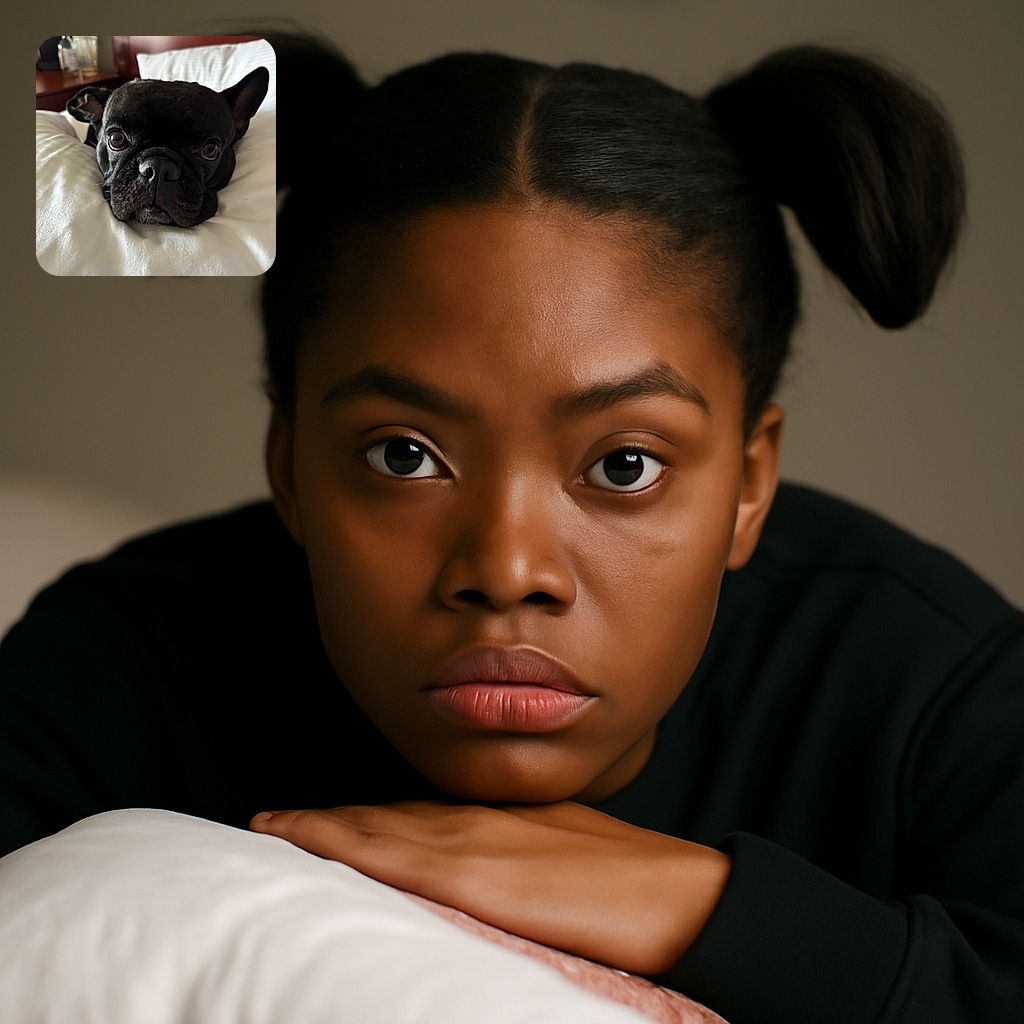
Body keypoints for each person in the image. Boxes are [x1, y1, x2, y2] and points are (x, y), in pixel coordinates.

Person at [2, 37, 1022, 1024]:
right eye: (403, 455)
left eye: (625, 465)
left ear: (750, 483)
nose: (506, 570)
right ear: (289, 462)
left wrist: (697, 902)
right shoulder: (119, 667)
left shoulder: (938, 689)